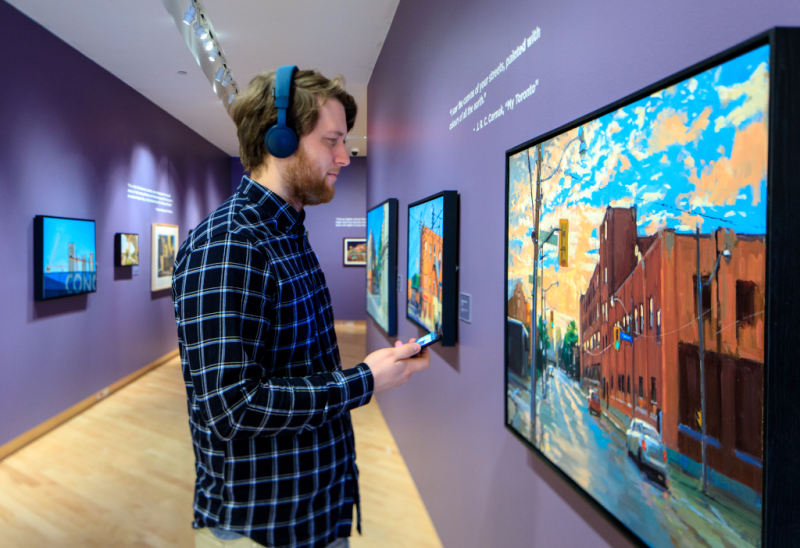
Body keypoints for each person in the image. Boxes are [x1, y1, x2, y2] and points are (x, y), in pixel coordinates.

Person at [172, 67, 429, 548]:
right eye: (332, 141)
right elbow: (232, 408)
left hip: (314, 508)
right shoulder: (230, 244)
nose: (344, 157)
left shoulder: (288, 231)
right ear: (280, 140)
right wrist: (365, 380)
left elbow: (299, 369)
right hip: (260, 525)